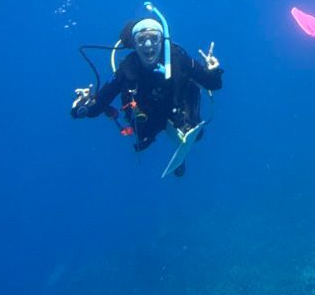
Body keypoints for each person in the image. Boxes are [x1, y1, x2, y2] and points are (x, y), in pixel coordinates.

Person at [71, 12, 223, 175]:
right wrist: (81, 107)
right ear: (134, 44)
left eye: (154, 37)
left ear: (162, 40)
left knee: (196, 133)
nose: (148, 44)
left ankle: (184, 137)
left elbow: (213, 84)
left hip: (177, 106)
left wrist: (212, 72)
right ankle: (172, 142)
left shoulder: (178, 58)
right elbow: (98, 106)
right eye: (141, 39)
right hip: (147, 116)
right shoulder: (127, 69)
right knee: (144, 137)